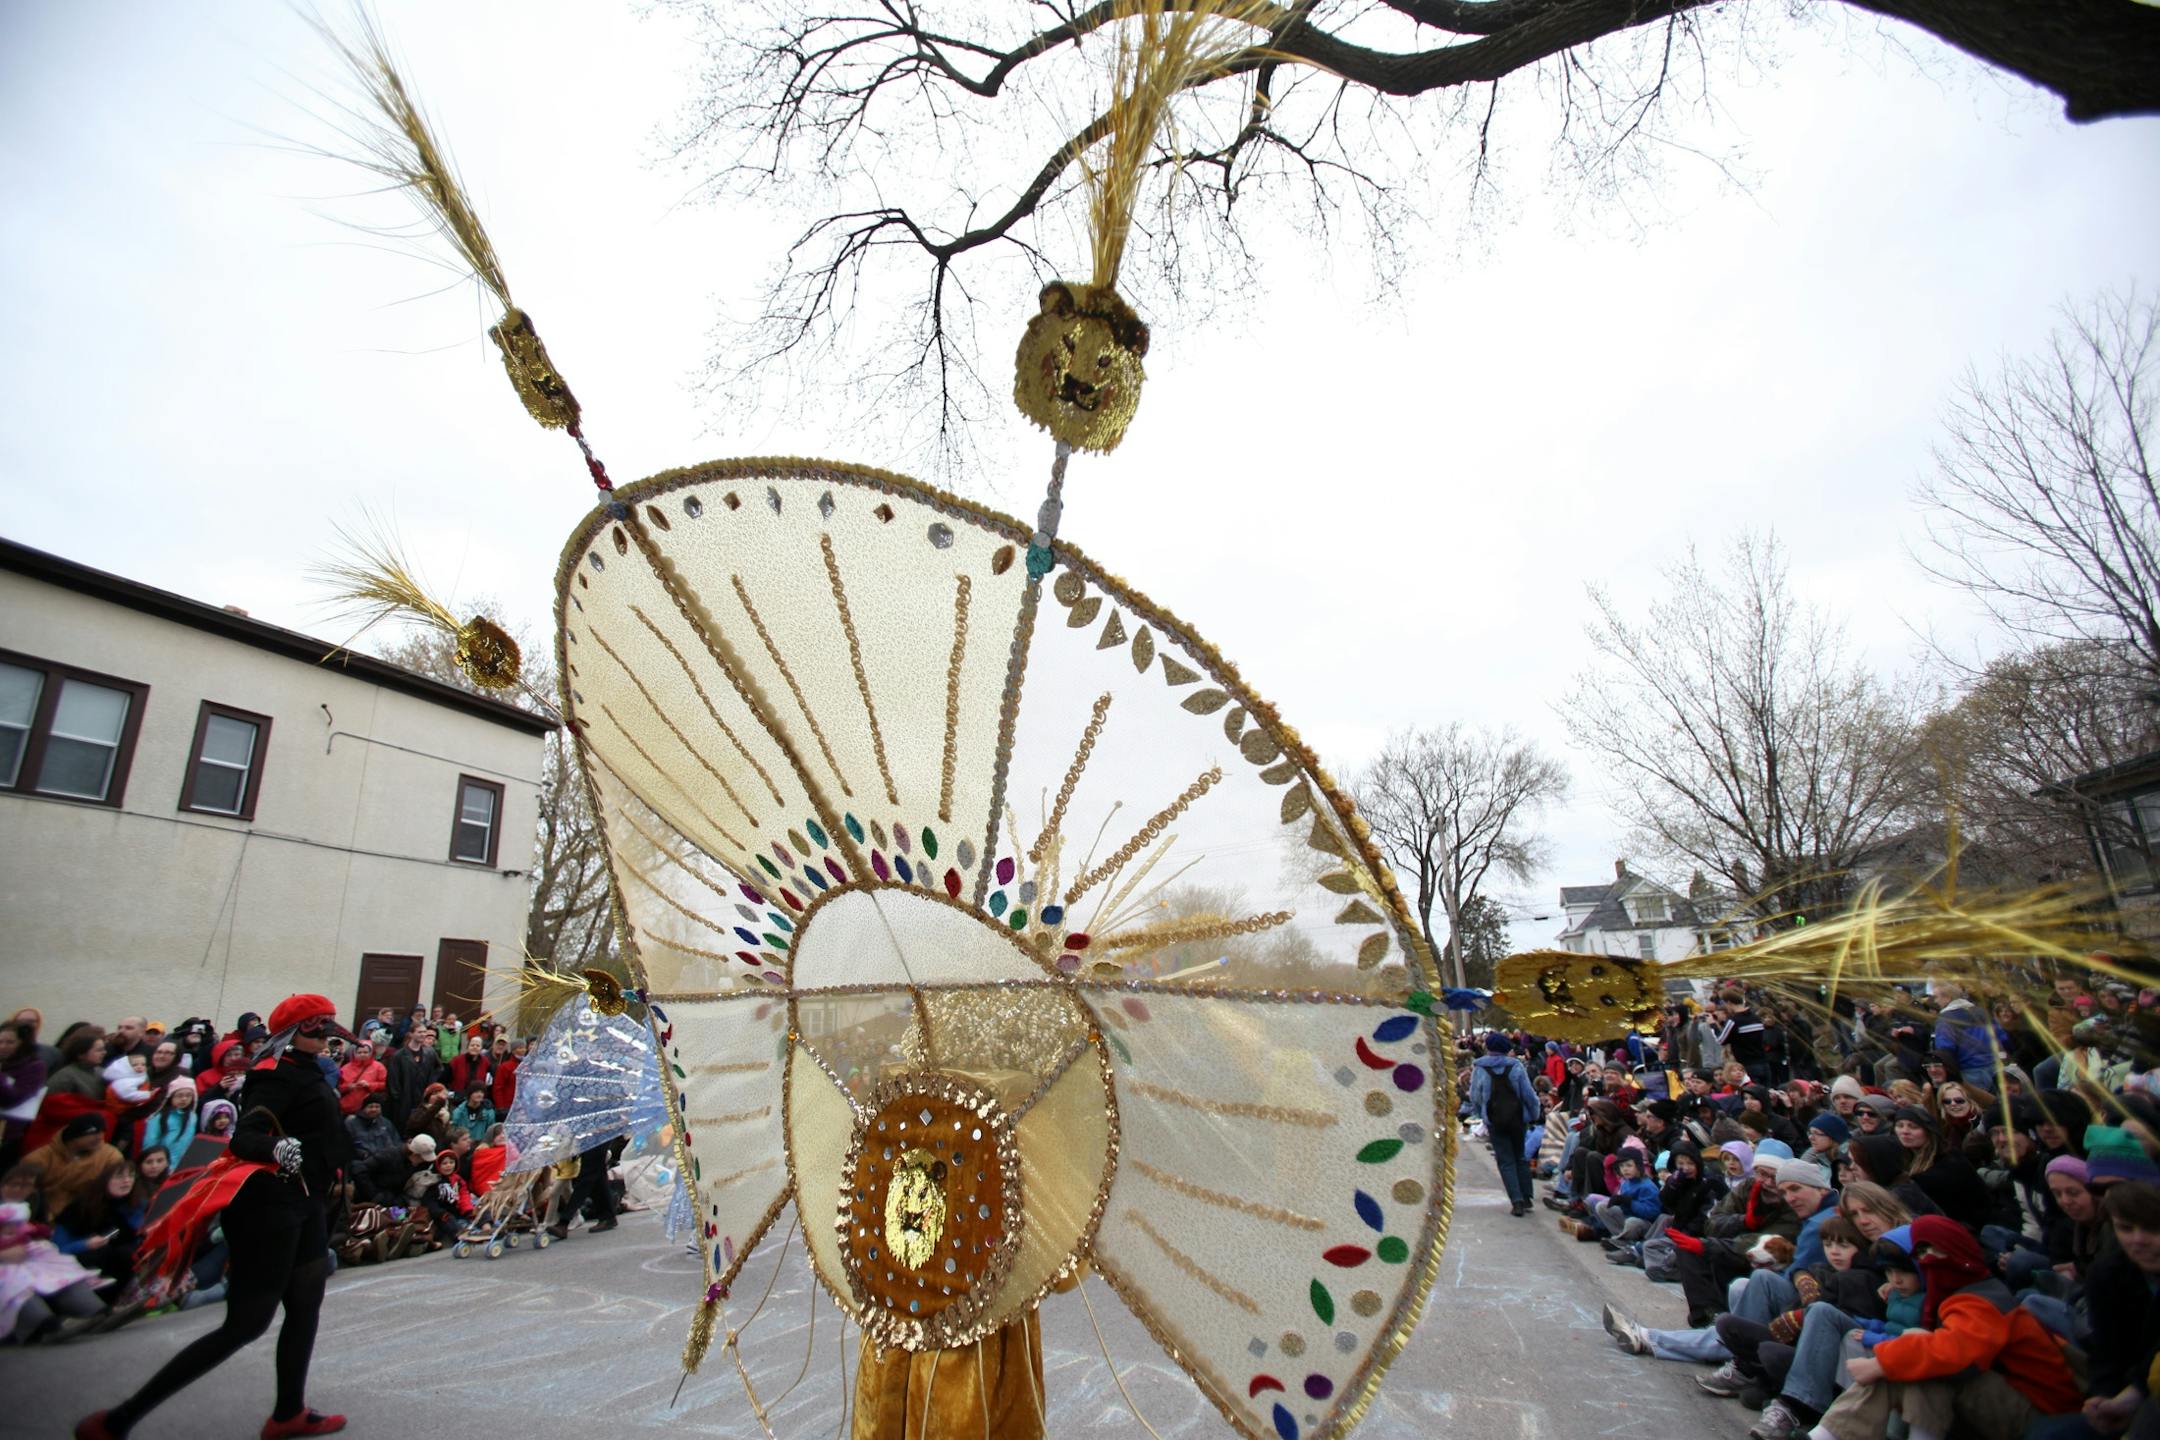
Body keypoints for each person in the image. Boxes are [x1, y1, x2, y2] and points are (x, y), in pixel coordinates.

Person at [75, 993, 357, 1440]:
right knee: (246, 1325)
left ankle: (288, 1413)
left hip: (306, 1204)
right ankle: (118, 1420)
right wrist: (275, 1148)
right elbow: (245, 1137)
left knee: (305, 1308)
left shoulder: (308, 1069)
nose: (329, 1037)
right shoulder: (272, 1074)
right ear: (301, 1031)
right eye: (322, 1028)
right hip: (269, 1210)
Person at [1810, 1213, 2081, 1440]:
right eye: (1922, 1253)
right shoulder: (1964, 1293)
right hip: (2013, 1403)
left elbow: (1956, 1353)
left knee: (1926, 1366)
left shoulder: (1982, 1299)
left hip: (2038, 1412)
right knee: (1919, 1358)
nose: (1928, 1261)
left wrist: (1881, 1363)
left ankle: (1826, 1435)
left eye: (1932, 1251)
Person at [1468, 1033, 1540, 1216]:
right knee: (1520, 1156)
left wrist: (1481, 1113)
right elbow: (1528, 1094)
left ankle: (1516, 1201)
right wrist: (1533, 1113)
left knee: (1505, 1160)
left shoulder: (1480, 1067)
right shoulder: (1516, 1066)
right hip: (1517, 1118)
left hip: (1494, 1119)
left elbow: (1475, 1095)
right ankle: (1527, 1197)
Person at [26, 1116, 124, 1218]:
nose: (99, 1137)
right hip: (42, 1216)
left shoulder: (111, 1157)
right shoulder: (39, 1158)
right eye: (92, 1133)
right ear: (74, 1135)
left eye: (102, 1132)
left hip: (86, 1218)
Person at [0, 1020, 48, 1172]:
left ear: (22, 1043)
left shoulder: (34, 1067)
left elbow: (12, 1099)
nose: (3, 1046)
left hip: (7, 1133)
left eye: (10, 1042)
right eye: (0, 1041)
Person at [139, 1076, 199, 1158]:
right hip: (162, 1163)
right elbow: (150, 1142)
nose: (184, 1099)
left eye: (188, 1096)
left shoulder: (193, 1117)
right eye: (179, 1095)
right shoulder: (159, 1117)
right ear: (171, 1097)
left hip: (181, 1162)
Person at [334, 1039, 385, 1119]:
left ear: (370, 1053)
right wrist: (349, 1086)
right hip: (346, 1109)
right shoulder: (345, 1068)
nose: (362, 1054)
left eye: (365, 1052)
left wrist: (369, 1085)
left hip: (368, 1110)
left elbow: (385, 1085)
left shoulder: (379, 1067)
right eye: (359, 1052)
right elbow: (337, 1087)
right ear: (354, 1053)